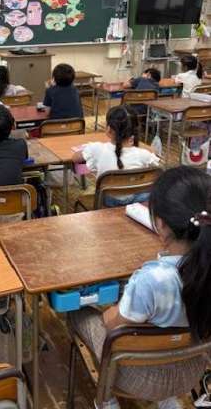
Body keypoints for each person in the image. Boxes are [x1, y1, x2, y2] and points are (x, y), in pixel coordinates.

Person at [69, 166, 211, 407]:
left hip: (142, 378)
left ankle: (106, 399)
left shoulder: (152, 278)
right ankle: (167, 401)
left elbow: (113, 324)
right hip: (191, 368)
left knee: (79, 314)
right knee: (165, 327)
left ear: (161, 224)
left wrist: (110, 310)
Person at [71, 105, 159, 205]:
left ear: (109, 129)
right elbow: (154, 157)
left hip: (107, 201)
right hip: (136, 201)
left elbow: (75, 158)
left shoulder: (97, 149)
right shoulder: (143, 154)